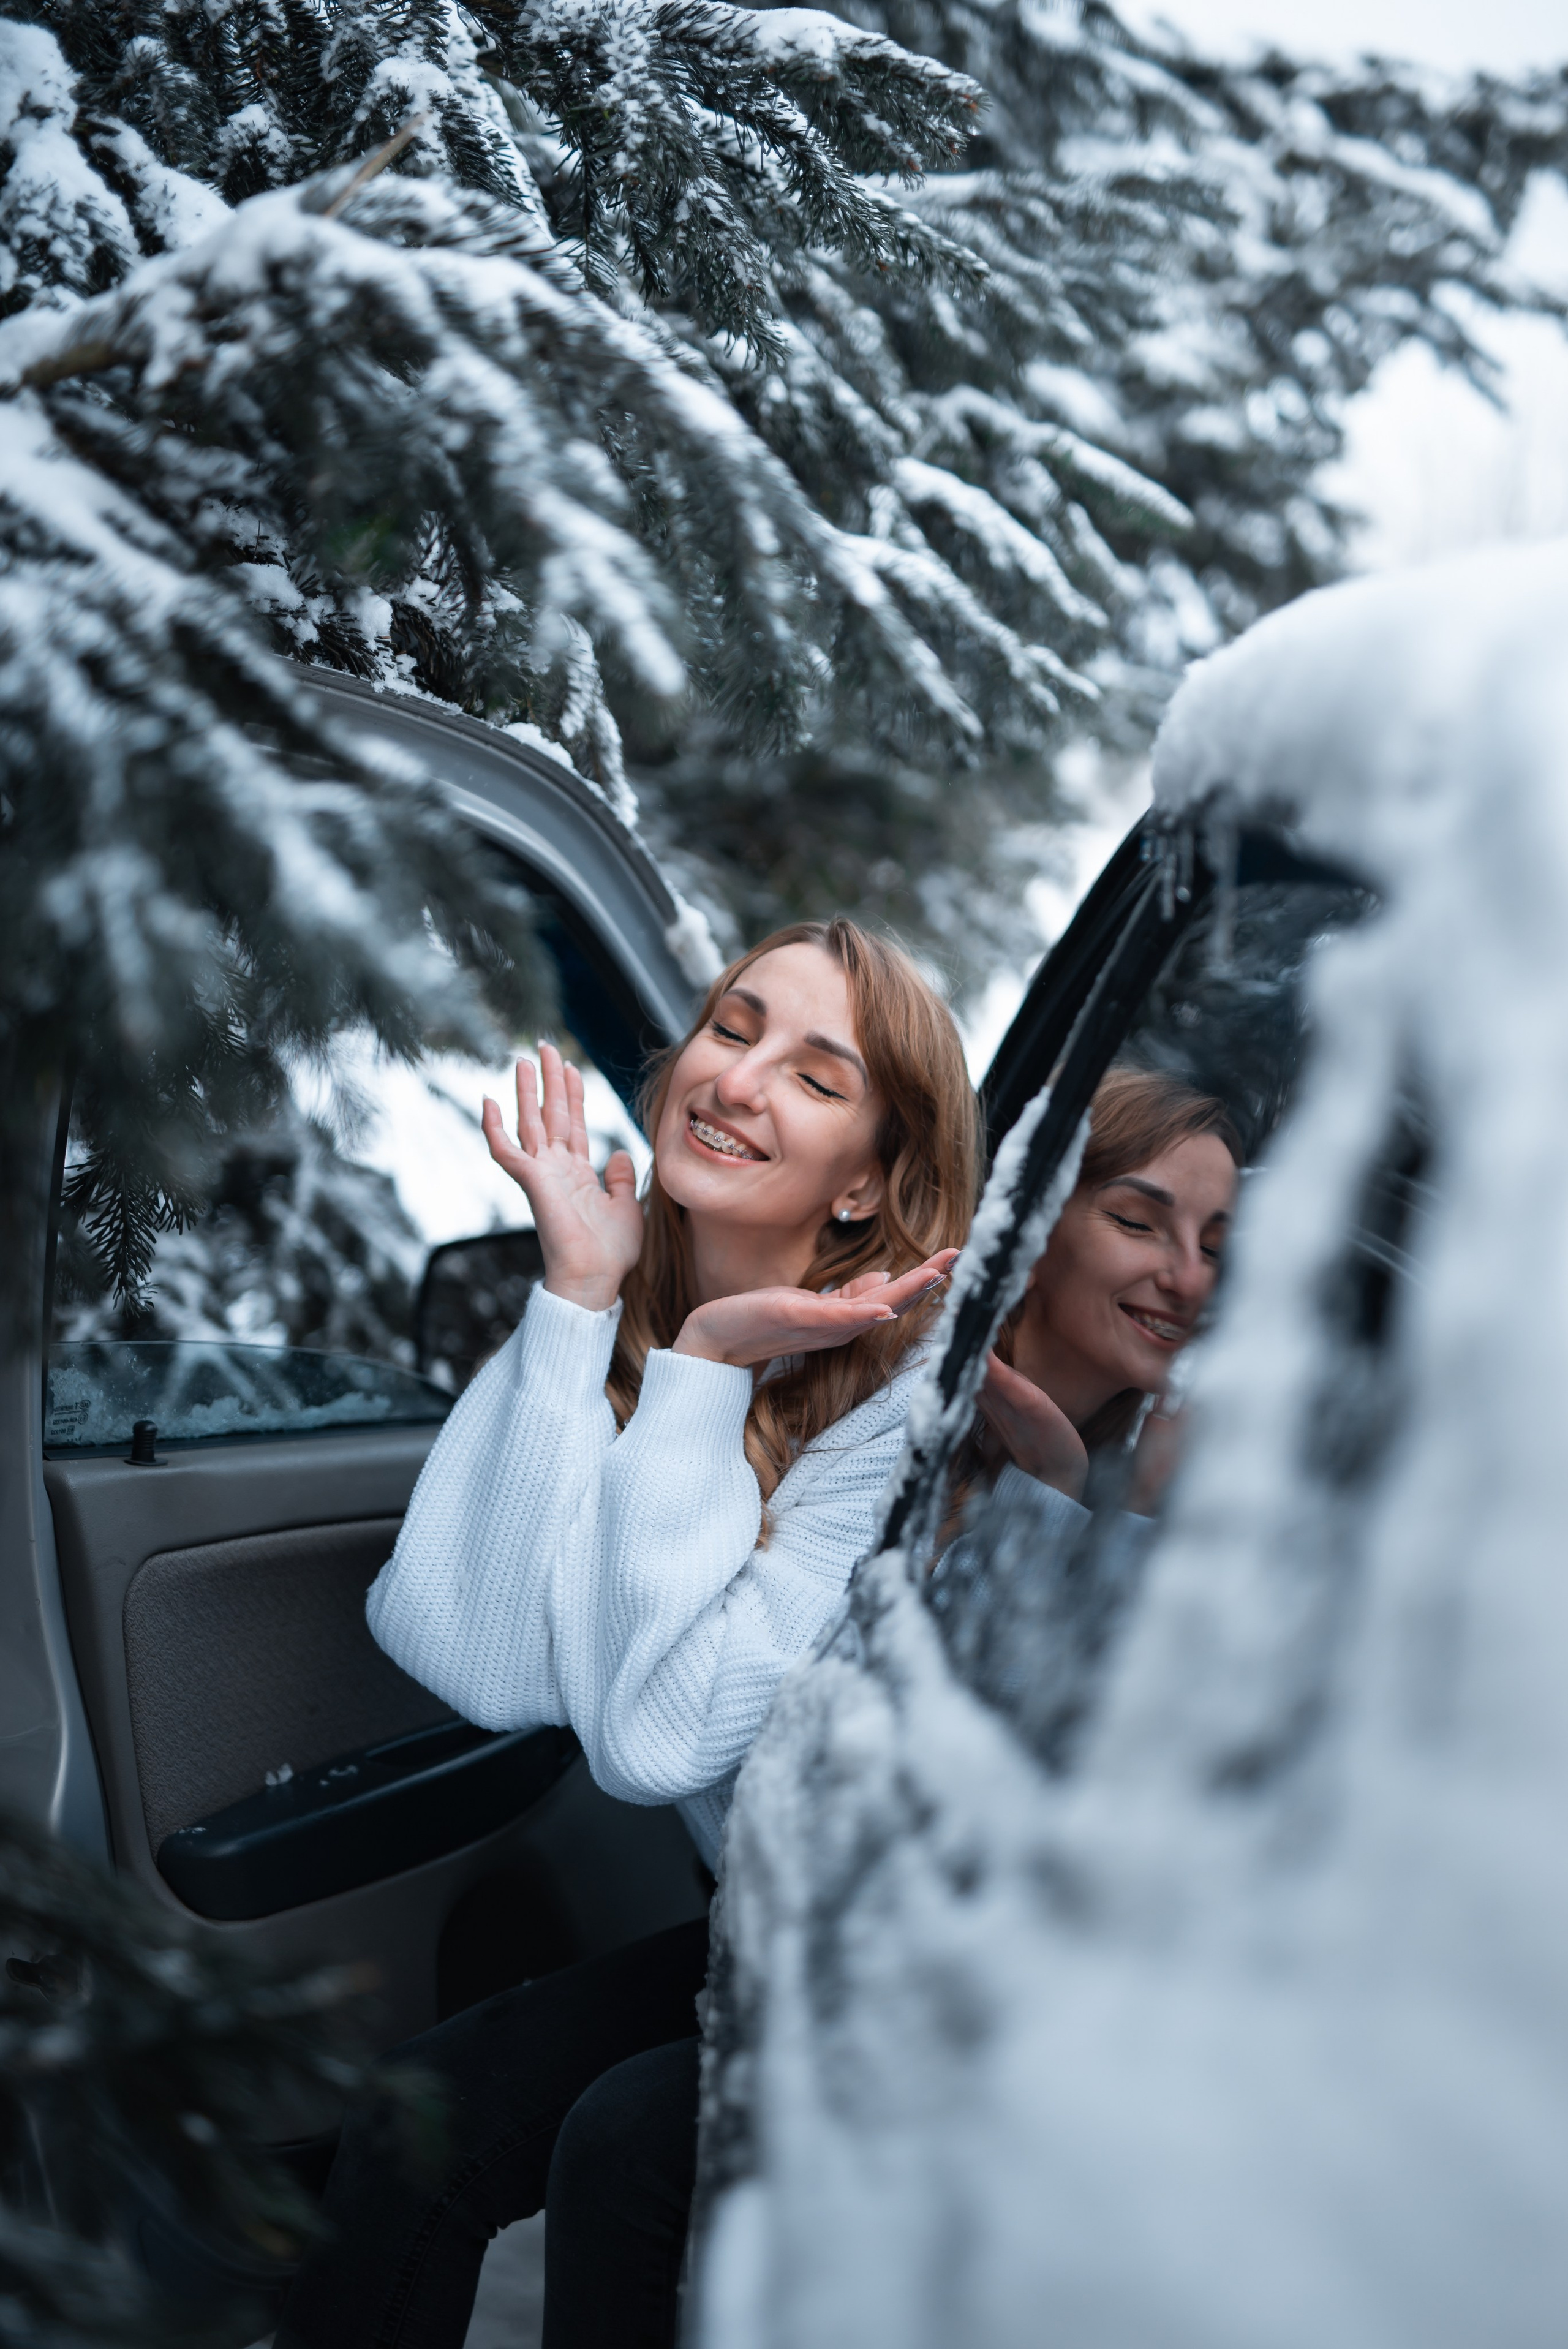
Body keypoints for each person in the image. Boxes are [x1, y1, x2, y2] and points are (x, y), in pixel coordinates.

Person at [274, 918, 979, 2349]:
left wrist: (704, 1376)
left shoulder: (900, 1410)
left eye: (815, 1071)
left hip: (904, 1951)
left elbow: (656, 1739)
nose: (738, 1077)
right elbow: (461, 1644)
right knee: (417, 2121)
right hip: (763, 1921)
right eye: (733, 1026)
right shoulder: (620, 1303)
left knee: (612, 2146)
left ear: (865, 1187)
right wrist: (577, 1300)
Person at [971, 1065, 1242, 1526]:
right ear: (1028, 1237)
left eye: (1214, 1249)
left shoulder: (1165, 1479)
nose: (1193, 1281)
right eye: (1137, 1223)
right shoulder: (903, 1391)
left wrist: (1140, 1505)